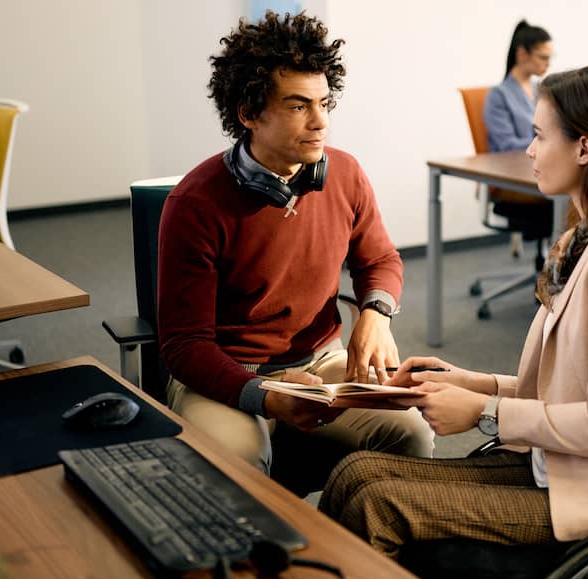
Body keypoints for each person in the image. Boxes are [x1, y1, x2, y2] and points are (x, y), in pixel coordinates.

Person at [320, 65, 588, 559]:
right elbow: (560, 390)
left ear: (585, 148)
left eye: (540, 136)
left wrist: (485, 413)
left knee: (378, 504)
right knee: (356, 473)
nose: (530, 150)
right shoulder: (586, 237)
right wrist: (462, 382)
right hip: (560, 467)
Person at [157, 12, 432, 492]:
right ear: (248, 114)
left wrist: (377, 314)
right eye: (298, 106)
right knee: (238, 460)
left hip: (319, 361)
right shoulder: (195, 203)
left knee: (411, 434)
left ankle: (354, 548)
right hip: (226, 370)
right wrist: (263, 395)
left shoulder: (344, 174)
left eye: (324, 103)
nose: (321, 122)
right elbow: (185, 346)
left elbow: (380, 261)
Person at [484, 20, 552, 152]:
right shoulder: (498, 95)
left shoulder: (541, 89)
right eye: (543, 57)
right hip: (513, 166)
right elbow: (507, 145)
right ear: (522, 54)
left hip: (539, 164)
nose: (548, 64)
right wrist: (550, 142)